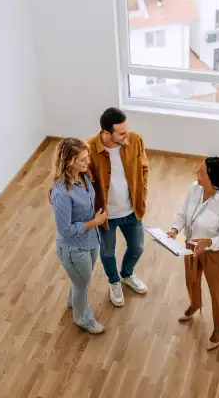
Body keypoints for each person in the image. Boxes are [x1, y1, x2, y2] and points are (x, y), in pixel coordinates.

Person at [167, 157, 219, 350]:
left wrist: (209, 242)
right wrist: (174, 230)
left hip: (214, 253)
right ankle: (195, 304)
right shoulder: (194, 188)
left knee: (217, 291)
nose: (197, 175)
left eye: (201, 172)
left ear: (214, 179)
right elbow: (182, 213)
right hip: (190, 245)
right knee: (191, 280)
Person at [87, 107, 149, 307]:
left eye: (127, 130)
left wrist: (143, 192)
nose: (126, 136)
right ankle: (114, 282)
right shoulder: (88, 149)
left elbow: (144, 168)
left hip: (132, 209)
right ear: (106, 133)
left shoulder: (136, 140)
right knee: (107, 253)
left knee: (138, 247)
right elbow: (77, 177)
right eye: (121, 133)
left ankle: (126, 275)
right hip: (106, 215)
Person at [50, 137, 108, 334]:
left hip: (90, 240)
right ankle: (83, 319)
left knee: (81, 280)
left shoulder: (83, 177)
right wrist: (95, 222)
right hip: (74, 248)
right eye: (82, 160)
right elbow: (65, 230)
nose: (87, 162)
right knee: (83, 283)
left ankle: (73, 301)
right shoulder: (62, 192)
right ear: (69, 162)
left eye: (86, 158)